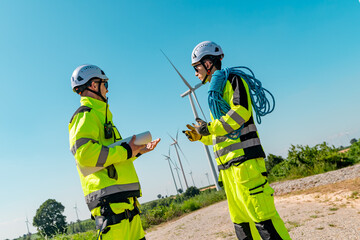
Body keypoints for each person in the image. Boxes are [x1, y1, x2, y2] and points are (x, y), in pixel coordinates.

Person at [183, 41, 291, 240]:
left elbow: (240, 113)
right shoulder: (215, 94)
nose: (195, 73)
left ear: (208, 64)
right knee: (243, 227)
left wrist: (209, 127)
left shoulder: (232, 80)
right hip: (230, 173)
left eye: (196, 67)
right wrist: (202, 136)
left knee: (264, 222)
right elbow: (223, 133)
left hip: (246, 166)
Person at [68, 64, 160, 240]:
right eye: (106, 85)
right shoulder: (85, 115)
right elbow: (85, 155)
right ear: (94, 85)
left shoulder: (102, 117)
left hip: (126, 206)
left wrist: (137, 151)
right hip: (110, 208)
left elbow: (113, 158)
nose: (107, 91)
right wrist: (126, 150)